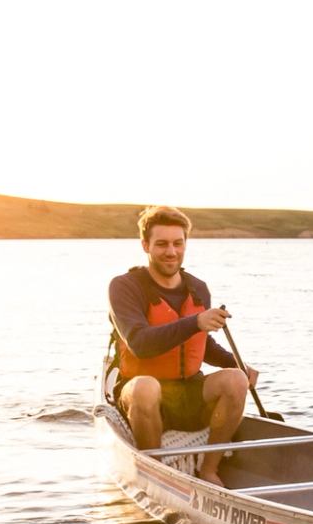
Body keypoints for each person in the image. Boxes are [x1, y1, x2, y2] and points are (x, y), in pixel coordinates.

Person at [108, 205, 259, 486]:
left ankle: (209, 470)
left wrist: (235, 364)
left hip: (189, 392)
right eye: (162, 244)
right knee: (145, 387)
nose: (171, 251)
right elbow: (140, 344)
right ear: (145, 245)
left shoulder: (198, 288)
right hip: (142, 395)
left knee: (236, 379)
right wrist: (195, 322)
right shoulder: (124, 286)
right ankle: (156, 475)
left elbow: (202, 343)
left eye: (178, 243)